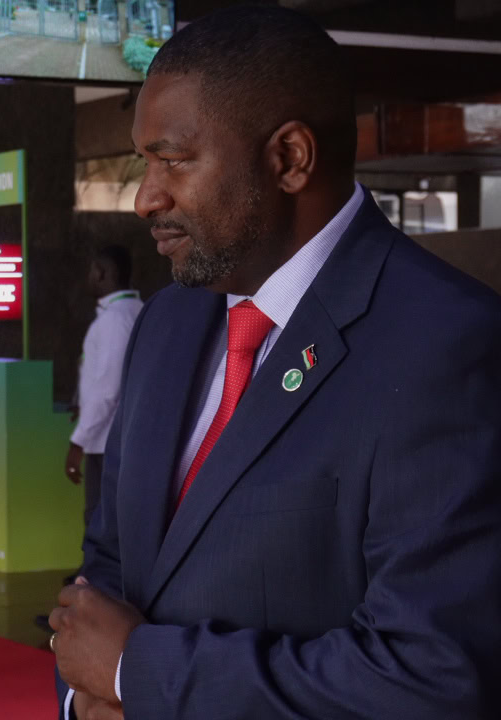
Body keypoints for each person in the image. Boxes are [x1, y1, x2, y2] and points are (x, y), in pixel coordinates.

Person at [48, 6, 501, 720]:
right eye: (144, 161)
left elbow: (431, 677)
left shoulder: (450, 346)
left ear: (289, 157)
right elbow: (107, 569)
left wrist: (143, 675)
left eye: (175, 159)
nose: (146, 197)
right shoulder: (167, 321)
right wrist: (84, 694)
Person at [66, 245, 142, 536]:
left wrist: (78, 442)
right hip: (119, 435)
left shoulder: (114, 321)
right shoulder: (133, 311)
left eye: (91, 269)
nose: (88, 277)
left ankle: (95, 579)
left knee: (100, 516)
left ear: (102, 272)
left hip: (106, 439)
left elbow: (108, 389)